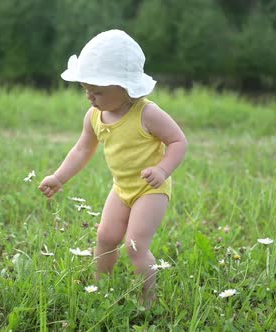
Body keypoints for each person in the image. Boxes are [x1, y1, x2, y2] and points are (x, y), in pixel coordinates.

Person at [38, 29, 187, 307]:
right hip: (121, 189)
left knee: (134, 245)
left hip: (150, 190)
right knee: (105, 236)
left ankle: (147, 300)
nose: (90, 97)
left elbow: (178, 141)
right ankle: (101, 287)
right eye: (86, 90)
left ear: (125, 87)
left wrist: (163, 170)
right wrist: (59, 177)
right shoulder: (94, 115)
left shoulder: (147, 113)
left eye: (98, 91)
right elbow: (82, 149)